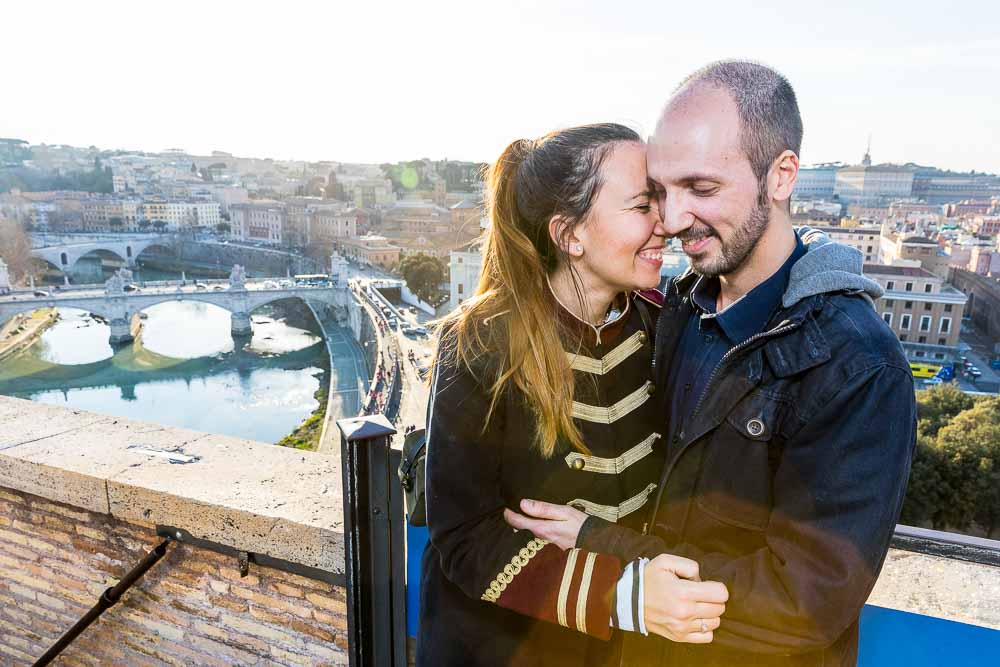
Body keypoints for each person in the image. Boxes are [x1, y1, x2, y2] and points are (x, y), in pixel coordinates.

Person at [508, 61, 916, 666]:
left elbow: (805, 602)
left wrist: (604, 547)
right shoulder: (676, 308)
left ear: (780, 177)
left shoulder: (855, 363)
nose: (672, 221)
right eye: (661, 192)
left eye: (700, 190)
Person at [417, 124, 729, 667]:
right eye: (641, 205)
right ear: (569, 234)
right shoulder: (479, 344)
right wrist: (621, 596)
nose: (667, 223)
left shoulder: (665, 328)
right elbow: (465, 537)